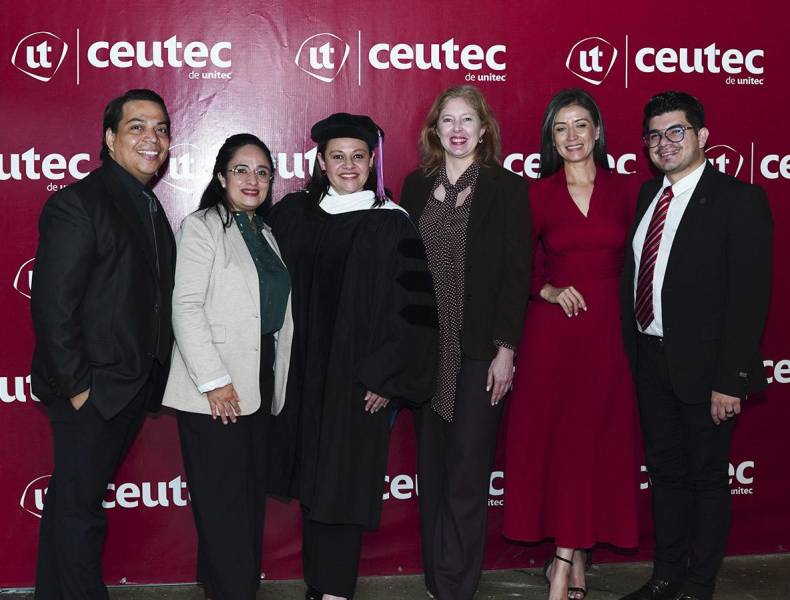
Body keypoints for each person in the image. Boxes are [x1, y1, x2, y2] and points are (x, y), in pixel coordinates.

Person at [266, 112, 438, 600]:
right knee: (312, 480)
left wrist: (386, 378)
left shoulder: (393, 224)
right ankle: (317, 586)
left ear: (371, 163)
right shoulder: (293, 214)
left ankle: (336, 589)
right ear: (320, 161)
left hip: (358, 377)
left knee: (341, 482)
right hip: (299, 371)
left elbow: (416, 312)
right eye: (337, 156)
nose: (347, 165)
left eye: (358, 157)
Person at [619, 91, 772, 600]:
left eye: (676, 131)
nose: (664, 143)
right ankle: (665, 577)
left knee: (706, 479)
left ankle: (699, 585)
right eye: (655, 135)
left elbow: (749, 299)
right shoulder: (647, 197)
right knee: (665, 474)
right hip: (651, 359)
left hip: (707, 372)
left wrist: (731, 379)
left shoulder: (739, 200)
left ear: (702, 136)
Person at [30, 89, 175, 599]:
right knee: (79, 511)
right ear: (110, 139)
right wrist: (78, 388)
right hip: (92, 388)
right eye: (136, 127)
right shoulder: (79, 202)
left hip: (131, 384)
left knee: (75, 503)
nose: (151, 138)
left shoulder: (147, 204)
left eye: (159, 128)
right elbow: (53, 306)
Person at [501, 88, 640, 600]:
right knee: (562, 446)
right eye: (561, 128)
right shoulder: (536, 194)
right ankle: (566, 559)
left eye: (581, 125)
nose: (572, 136)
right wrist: (550, 289)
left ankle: (574, 554)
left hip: (610, 337)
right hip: (554, 336)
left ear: (598, 131)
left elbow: (645, 267)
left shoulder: (629, 191)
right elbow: (518, 268)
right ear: (550, 139)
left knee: (594, 444)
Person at [401, 85, 532, 600]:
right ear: (436, 130)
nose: (457, 129)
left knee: (467, 474)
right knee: (431, 472)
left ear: (483, 131)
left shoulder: (506, 189)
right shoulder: (414, 188)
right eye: (448, 121)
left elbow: (515, 275)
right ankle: (437, 581)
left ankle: (457, 586)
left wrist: (506, 349)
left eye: (468, 121)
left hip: (480, 352)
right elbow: (402, 275)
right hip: (427, 355)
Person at [161, 133, 293, 599]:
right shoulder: (201, 227)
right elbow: (186, 307)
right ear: (221, 176)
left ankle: (228, 588)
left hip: (258, 378)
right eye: (241, 169)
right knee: (224, 504)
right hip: (215, 384)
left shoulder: (265, 231)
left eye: (262, 171)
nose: (252, 179)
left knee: (246, 501)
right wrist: (215, 382)